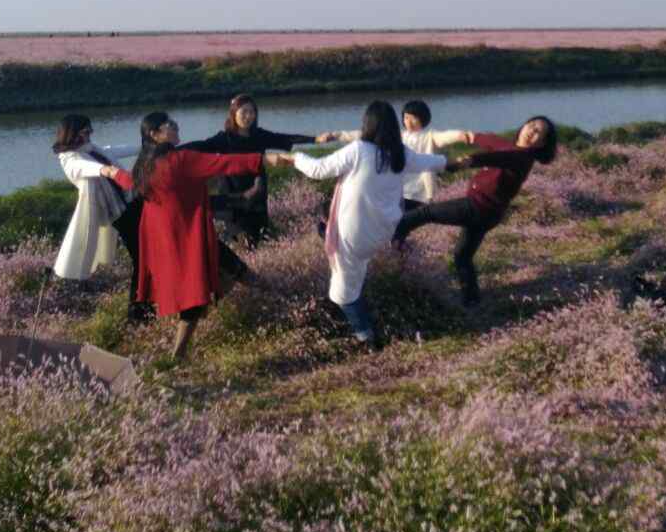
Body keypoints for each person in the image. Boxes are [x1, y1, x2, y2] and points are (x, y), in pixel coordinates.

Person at [267, 99, 449, 347]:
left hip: (353, 234)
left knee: (342, 294)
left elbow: (319, 169)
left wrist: (294, 157)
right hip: (382, 231)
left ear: (368, 124)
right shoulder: (400, 153)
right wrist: (456, 162)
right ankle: (364, 323)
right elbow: (432, 162)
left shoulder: (359, 150)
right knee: (350, 264)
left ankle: (368, 339)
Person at [118, 111, 264, 361]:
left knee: (228, 275)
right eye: (170, 125)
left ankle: (272, 297)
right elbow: (223, 163)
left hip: (167, 240)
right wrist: (264, 160)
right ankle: (178, 355)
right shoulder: (180, 159)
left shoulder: (144, 165)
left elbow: (129, 182)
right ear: (154, 134)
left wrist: (109, 172)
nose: (176, 127)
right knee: (208, 289)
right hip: (190, 238)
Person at [391, 116, 558, 306]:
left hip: (477, 208)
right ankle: (472, 300)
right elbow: (487, 140)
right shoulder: (507, 145)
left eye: (538, 132)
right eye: (531, 125)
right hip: (488, 214)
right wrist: (469, 137)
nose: (531, 131)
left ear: (542, 143)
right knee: (462, 256)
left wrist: (470, 160)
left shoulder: (522, 157)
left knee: (420, 215)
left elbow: (498, 157)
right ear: (523, 126)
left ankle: (393, 258)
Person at [183, 94, 325, 269]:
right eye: (244, 112)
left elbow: (284, 138)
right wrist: (169, 151)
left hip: (257, 193)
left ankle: (258, 275)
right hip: (233, 196)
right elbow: (201, 146)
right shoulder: (224, 138)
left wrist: (315, 139)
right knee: (241, 239)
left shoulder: (259, 135)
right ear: (233, 114)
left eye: (252, 112)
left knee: (258, 237)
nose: (249, 116)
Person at [51, 114, 148, 320]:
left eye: (90, 131)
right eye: (86, 132)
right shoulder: (69, 159)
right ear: (73, 134)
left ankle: (142, 308)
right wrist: (107, 170)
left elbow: (112, 151)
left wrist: (143, 148)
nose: (89, 135)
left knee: (145, 256)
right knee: (141, 259)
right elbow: (84, 168)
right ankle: (138, 312)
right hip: (120, 214)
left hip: (131, 202)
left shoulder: (90, 149)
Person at [319, 99, 473, 208]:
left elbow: (445, 137)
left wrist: (460, 135)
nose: (409, 122)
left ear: (423, 120)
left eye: (414, 118)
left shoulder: (429, 137)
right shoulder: (397, 135)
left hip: (420, 194)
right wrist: (336, 134)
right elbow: (360, 134)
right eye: (406, 118)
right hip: (397, 190)